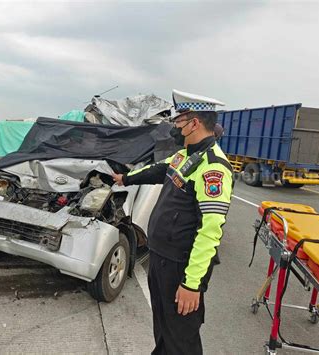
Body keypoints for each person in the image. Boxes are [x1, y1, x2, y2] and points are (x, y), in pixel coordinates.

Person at [112, 90, 234, 355]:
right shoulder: (185, 156)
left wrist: (192, 285)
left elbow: (210, 233)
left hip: (181, 266)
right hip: (160, 258)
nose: (175, 127)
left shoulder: (213, 168)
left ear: (194, 123)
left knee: (181, 339)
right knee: (164, 328)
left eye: (179, 122)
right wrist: (125, 178)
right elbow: (158, 170)